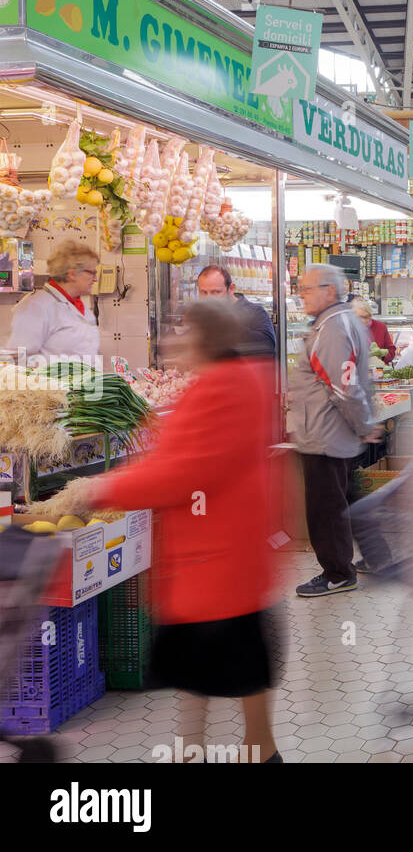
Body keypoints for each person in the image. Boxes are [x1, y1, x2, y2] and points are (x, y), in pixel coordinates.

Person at [71, 299, 284, 762]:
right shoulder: (242, 380)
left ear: (204, 340)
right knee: (222, 675)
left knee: (224, 671)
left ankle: (250, 754)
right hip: (227, 562)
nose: (174, 341)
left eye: (183, 331)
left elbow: (182, 472)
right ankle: (221, 751)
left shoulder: (220, 392)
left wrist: (100, 489)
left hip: (214, 568)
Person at [288, 264, 384, 597]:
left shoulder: (332, 328)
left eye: (307, 288)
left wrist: (363, 425)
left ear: (330, 290)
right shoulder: (339, 322)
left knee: (325, 508)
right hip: (333, 431)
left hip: (325, 433)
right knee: (344, 499)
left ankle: (338, 573)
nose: (301, 295)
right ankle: (378, 556)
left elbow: (341, 386)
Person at [9, 240, 99, 361]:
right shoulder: (37, 306)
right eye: (92, 273)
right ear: (72, 274)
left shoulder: (80, 307)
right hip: (50, 379)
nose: (96, 279)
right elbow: (16, 358)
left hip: (83, 379)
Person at [196, 263, 277, 358]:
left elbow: (268, 347)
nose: (209, 298)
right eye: (204, 292)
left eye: (215, 292)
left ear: (231, 289)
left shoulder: (255, 313)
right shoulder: (201, 315)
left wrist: (227, 325)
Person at [352, 297, 397, 366]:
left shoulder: (381, 327)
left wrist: (382, 355)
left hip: (378, 371)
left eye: (366, 317)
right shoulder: (348, 329)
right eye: (360, 317)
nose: (363, 321)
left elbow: (391, 351)